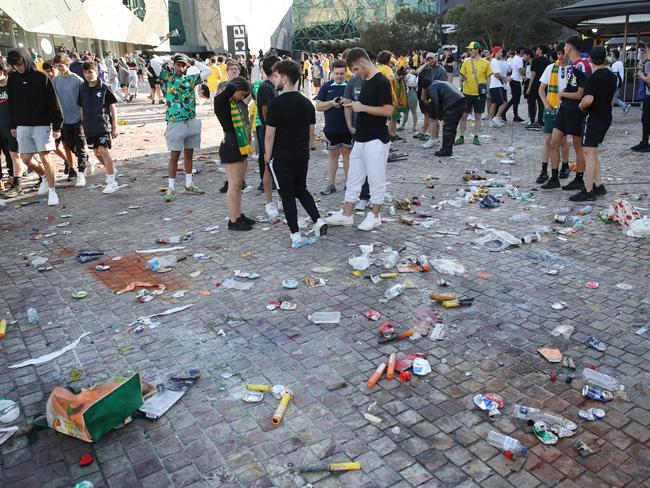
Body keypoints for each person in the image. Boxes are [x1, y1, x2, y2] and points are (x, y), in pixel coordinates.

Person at [326, 48, 392, 231]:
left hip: (376, 138)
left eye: (355, 69)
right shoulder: (366, 81)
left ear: (363, 62)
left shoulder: (381, 81)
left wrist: (362, 107)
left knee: (376, 177)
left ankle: (375, 215)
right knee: (354, 177)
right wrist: (352, 105)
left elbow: (388, 110)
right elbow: (364, 106)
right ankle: (347, 214)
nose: (355, 74)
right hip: (361, 137)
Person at [265, 60, 327, 246]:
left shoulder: (276, 104)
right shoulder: (307, 102)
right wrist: (306, 148)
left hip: (282, 155)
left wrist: (268, 158)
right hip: (301, 153)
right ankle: (318, 220)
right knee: (301, 188)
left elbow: (269, 135)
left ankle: (295, 234)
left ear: (284, 78)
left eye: (276, 76)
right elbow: (311, 132)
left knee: (287, 194)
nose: (274, 79)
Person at [150, 53, 211, 202]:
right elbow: (153, 61)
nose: (181, 67)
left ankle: (189, 184)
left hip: (190, 120)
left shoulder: (190, 79)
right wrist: (170, 57)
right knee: (175, 156)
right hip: (175, 122)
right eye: (178, 64)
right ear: (174, 64)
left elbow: (208, 71)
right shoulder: (166, 78)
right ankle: (171, 188)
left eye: (183, 65)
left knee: (189, 154)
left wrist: (193, 61)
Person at [6, 47, 63, 205]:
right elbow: (11, 103)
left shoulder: (40, 77)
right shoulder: (12, 79)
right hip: (22, 125)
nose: (18, 67)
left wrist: (57, 126)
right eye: (15, 65)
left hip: (42, 123)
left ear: (26, 59)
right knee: (25, 158)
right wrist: (13, 124)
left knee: (45, 156)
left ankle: (52, 191)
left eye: (20, 64)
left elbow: (54, 102)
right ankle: (44, 176)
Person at [541, 37, 589, 192]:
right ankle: (554, 178)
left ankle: (579, 178)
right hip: (563, 109)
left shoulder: (581, 64)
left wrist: (563, 95)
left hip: (575, 110)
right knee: (554, 142)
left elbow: (580, 93)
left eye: (566, 46)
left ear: (571, 47)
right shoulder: (570, 65)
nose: (562, 50)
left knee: (577, 145)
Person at [570, 46, 617, 201]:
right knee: (593, 152)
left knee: (588, 154)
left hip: (594, 117)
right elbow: (613, 100)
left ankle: (588, 190)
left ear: (590, 59)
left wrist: (581, 105)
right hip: (605, 117)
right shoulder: (612, 76)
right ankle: (599, 185)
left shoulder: (594, 78)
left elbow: (588, 99)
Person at [214, 76, 255, 231]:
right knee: (234, 185)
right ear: (234, 90)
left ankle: (238, 215)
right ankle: (233, 220)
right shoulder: (222, 103)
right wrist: (233, 86)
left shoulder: (235, 104)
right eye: (242, 93)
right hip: (231, 145)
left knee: (238, 185)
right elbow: (223, 96)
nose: (243, 97)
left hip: (239, 144)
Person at [78, 60, 120, 194]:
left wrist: (114, 126)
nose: (88, 75)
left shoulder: (104, 87)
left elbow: (112, 107)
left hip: (102, 125)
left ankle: (112, 181)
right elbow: (81, 108)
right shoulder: (82, 88)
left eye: (90, 72)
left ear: (96, 72)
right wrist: (83, 125)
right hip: (89, 126)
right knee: (96, 153)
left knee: (103, 150)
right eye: (85, 72)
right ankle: (112, 170)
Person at [316, 59, 352, 195]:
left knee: (347, 155)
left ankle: (349, 183)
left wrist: (346, 102)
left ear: (346, 72)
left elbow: (357, 105)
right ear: (331, 73)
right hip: (331, 129)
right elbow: (318, 106)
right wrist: (332, 103)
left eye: (341, 74)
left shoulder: (349, 86)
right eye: (336, 73)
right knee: (332, 156)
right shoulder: (326, 86)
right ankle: (330, 184)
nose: (339, 76)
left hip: (347, 129)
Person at [52, 53, 88, 186]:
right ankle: (83, 161)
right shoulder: (55, 81)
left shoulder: (78, 80)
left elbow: (84, 101)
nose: (59, 68)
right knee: (70, 146)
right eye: (57, 66)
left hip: (78, 118)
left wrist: (84, 119)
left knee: (80, 146)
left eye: (60, 66)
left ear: (67, 64)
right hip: (63, 120)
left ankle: (81, 172)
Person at [538, 44, 571, 184]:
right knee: (548, 141)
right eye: (558, 54)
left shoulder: (572, 69)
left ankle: (565, 164)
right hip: (551, 109)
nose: (560, 56)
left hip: (565, 109)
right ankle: (544, 171)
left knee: (562, 141)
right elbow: (541, 89)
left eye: (563, 53)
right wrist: (546, 104)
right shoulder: (550, 68)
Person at [218, 60, 250, 193]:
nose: (235, 71)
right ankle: (232, 180)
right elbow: (220, 100)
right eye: (232, 69)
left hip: (243, 120)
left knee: (245, 152)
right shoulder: (223, 85)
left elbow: (247, 100)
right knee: (232, 153)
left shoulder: (245, 84)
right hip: (230, 125)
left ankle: (241, 179)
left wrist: (240, 92)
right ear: (227, 71)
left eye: (237, 69)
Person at [255, 55, 281, 217]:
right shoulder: (265, 88)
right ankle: (269, 202)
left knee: (278, 167)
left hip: (277, 131)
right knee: (268, 167)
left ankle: (280, 200)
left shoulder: (274, 86)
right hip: (269, 132)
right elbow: (265, 114)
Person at [456, 41, 492, 146]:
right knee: (464, 115)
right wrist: (462, 82)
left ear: (477, 50)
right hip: (466, 93)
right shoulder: (466, 62)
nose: (469, 51)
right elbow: (461, 76)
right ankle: (461, 136)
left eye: (471, 49)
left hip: (479, 94)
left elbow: (489, 77)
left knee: (478, 115)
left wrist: (486, 89)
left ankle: (476, 137)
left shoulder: (486, 63)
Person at [423, 80, 465, 157]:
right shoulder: (438, 83)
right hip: (461, 100)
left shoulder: (431, 87)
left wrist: (440, 116)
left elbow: (435, 102)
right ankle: (448, 148)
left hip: (452, 104)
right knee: (452, 127)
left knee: (448, 128)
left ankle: (446, 150)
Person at [416, 52, 447, 147]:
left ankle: (432, 138)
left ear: (436, 58)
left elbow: (443, 85)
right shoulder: (428, 69)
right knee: (435, 119)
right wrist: (425, 63)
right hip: (431, 97)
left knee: (432, 119)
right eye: (428, 59)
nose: (430, 61)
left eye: (432, 59)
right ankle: (436, 137)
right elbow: (417, 72)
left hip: (437, 97)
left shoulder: (441, 70)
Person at [0, 62, 21, 193]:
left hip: (13, 127)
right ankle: (11, 178)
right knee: (7, 155)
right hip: (1, 129)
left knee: (16, 156)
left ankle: (17, 184)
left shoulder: (12, 86)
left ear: (2, 71)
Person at [526, 45, 550, 128]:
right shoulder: (548, 61)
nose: (536, 50)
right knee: (541, 103)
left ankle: (532, 120)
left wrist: (529, 87)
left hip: (535, 84)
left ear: (540, 51)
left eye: (538, 49)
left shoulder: (535, 60)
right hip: (544, 84)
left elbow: (533, 74)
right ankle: (540, 120)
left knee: (532, 103)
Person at [632, 51, 650, 152]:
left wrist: (641, 74)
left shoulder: (648, 63)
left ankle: (645, 143)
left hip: (649, 96)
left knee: (647, 120)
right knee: (645, 119)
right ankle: (644, 142)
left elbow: (649, 80)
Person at [488, 46, 509, 128]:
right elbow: (496, 74)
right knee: (504, 102)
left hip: (493, 85)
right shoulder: (495, 62)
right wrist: (506, 78)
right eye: (500, 52)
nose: (501, 53)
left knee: (494, 103)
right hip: (497, 85)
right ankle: (496, 118)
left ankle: (492, 120)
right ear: (496, 52)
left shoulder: (493, 61)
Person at [504, 46, 525, 123]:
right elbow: (520, 71)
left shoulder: (515, 58)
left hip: (514, 80)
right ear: (522, 51)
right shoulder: (519, 59)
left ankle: (513, 114)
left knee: (514, 99)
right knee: (515, 99)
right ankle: (512, 115)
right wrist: (524, 71)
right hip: (516, 80)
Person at [610, 49, 630, 114]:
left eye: (611, 55)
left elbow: (614, 75)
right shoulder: (620, 62)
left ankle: (625, 105)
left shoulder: (615, 64)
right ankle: (624, 105)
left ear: (613, 55)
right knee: (614, 98)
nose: (611, 56)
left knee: (612, 99)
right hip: (619, 83)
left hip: (616, 84)